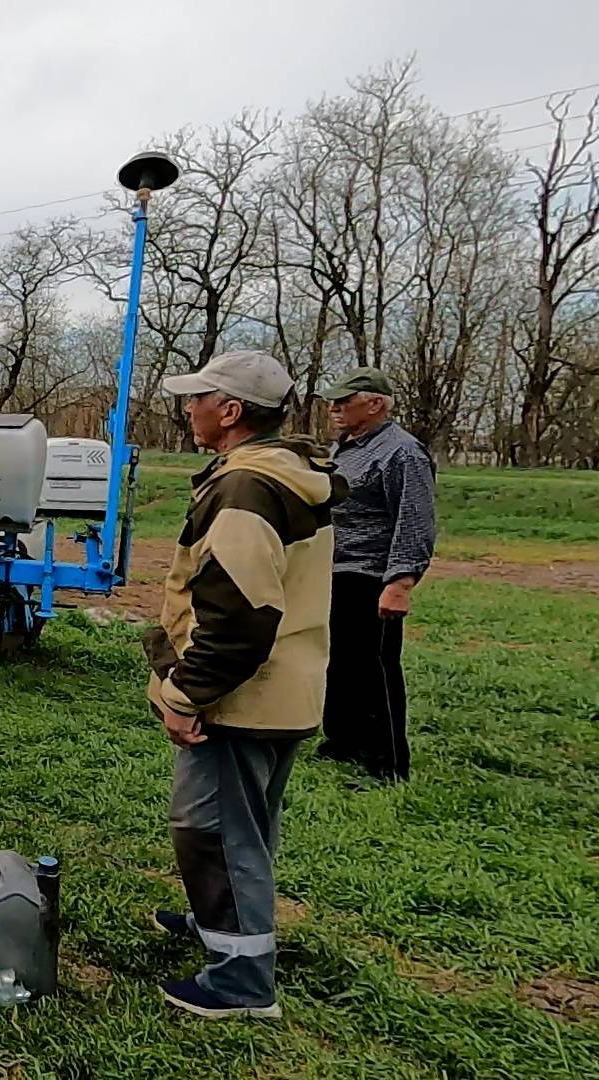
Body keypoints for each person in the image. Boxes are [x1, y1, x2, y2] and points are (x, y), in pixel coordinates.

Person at [143, 350, 347, 1019]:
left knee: (214, 829)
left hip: (243, 696)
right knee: (245, 826)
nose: (188, 408)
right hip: (286, 685)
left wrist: (182, 695)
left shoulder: (245, 490)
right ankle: (219, 926)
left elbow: (238, 619)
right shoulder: (282, 473)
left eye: (198, 398)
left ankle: (240, 981)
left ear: (230, 412)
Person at [318, 367, 436, 783]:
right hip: (336, 570)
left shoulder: (402, 452)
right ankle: (343, 742)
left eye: (343, 401)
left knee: (374, 669)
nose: (334, 408)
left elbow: (415, 520)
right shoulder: (347, 446)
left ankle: (386, 763)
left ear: (375, 404)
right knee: (340, 663)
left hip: (371, 575)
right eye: (332, 401)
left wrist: (400, 582)